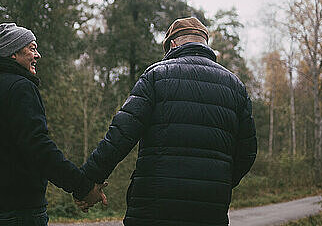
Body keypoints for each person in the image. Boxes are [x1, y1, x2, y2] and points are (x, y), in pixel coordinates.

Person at [78, 17, 257, 225]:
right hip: (209, 211)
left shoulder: (156, 76)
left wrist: (87, 182)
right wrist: (218, 183)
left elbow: (120, 135)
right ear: (204, 44)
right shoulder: (236, 87)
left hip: (154, 209)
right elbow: (248, 152)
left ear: (173, 44)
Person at [0, 22, 106, 226]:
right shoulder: (20, 88)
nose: (38, 55)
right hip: (18, 212)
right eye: (32, 48)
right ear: (13, 54)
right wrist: (82, 187)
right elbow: (38, 148)